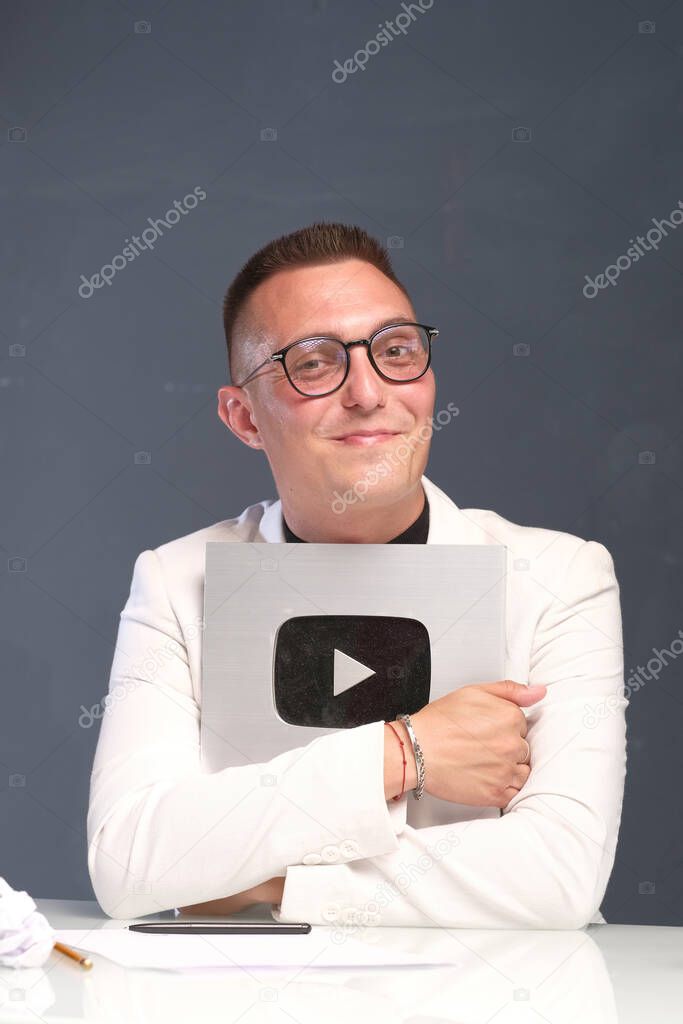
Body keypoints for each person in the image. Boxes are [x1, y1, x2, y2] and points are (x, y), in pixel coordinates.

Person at [86, 222, 628, 928]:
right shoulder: (175, 581)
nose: (369, 392)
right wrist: (404, 753)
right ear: (244, 416)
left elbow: (557, 880)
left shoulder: (559, 576)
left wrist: (266, 888)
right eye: (313, 364)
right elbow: (129, 862)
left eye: (396, 350)